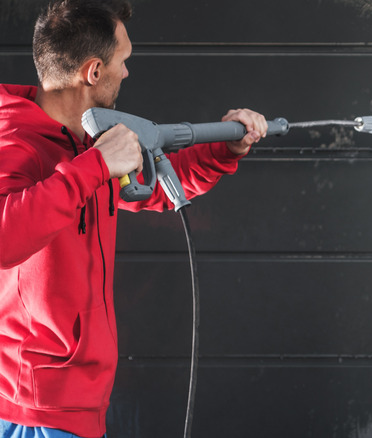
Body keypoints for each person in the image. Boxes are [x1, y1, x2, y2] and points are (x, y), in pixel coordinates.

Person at [0, 1, 268, 436]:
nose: (126, 73)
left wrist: (225, 150)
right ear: (93, 72)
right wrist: (94, 166)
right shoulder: (16, 142)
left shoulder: (87, 142)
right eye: (122, 62)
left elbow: (156, 187)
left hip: (82, 404)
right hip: (33, 409)